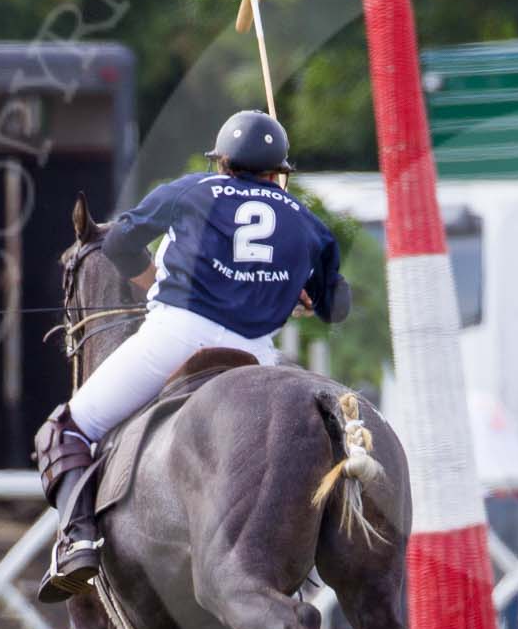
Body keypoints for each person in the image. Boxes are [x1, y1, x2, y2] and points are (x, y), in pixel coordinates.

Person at [32, 110, 350, 603]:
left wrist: (151, 277)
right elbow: (337, 308)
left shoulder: (193, 190)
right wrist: (304, 294)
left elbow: (118, 241)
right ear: (278, 172)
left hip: (176, 335)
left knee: (67, 427)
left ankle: (77, 542)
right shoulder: (307, 223)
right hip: (254, 356)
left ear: (222, 162)